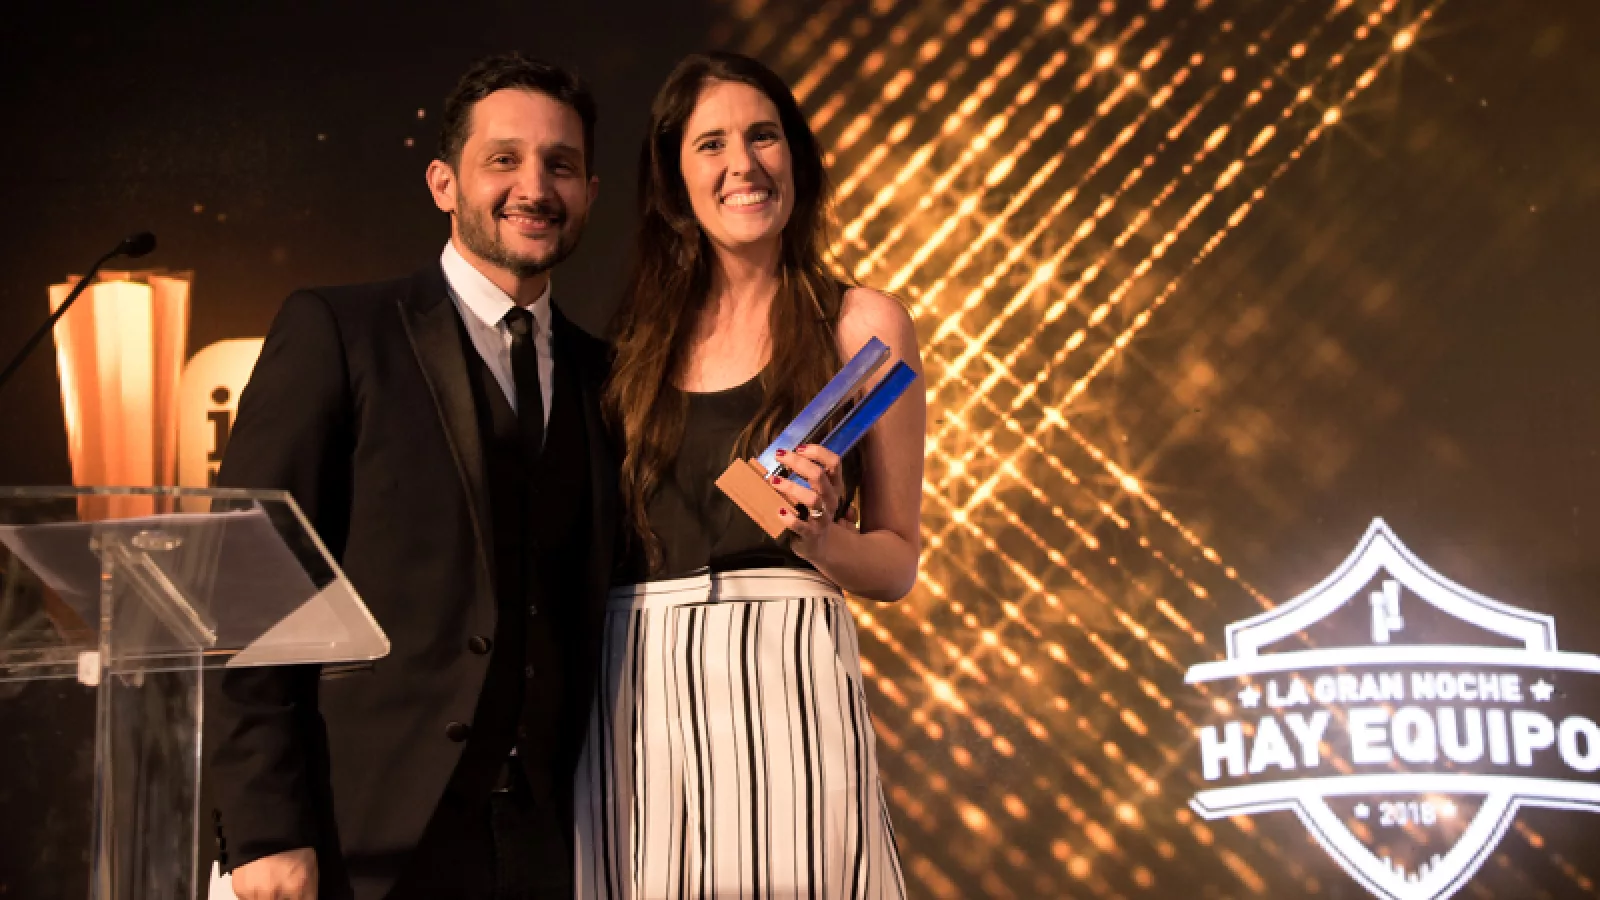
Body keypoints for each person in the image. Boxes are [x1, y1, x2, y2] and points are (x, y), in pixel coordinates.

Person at [207, 53, 617, 900]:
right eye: (503, 159)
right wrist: (265, 827)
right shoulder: (339, 331)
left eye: (561, 165)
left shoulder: (606, 376)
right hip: (359, 836)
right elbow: (248, 579)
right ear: (443, 183)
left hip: (546, 846)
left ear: (590, 193)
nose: (534, 187)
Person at [574, 51, 921, 898]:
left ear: (796, 156)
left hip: (785, 682)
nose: (743, 164)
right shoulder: (630, 350)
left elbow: (897, 562)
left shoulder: (860, 324)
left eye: (763, 136)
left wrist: (821, 537)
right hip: (634, 689)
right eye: (712, 144)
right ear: (673, 179)